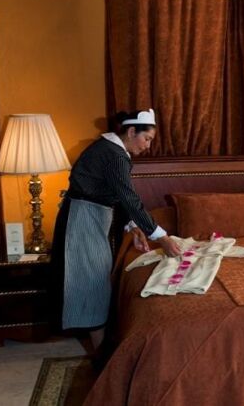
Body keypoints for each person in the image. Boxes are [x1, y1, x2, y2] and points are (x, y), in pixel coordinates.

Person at [49, 108, 180, 353]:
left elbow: (116, 195)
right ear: (131, 132)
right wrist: (161, 237)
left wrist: (134, 226)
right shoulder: (114, 155)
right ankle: (101, 353)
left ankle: (101, 347)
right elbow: (129, 199)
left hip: (91, 217)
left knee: (96, 280)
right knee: (93, 280)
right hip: (83, 221)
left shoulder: (112, 151)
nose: (148, 146)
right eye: (147, 138)